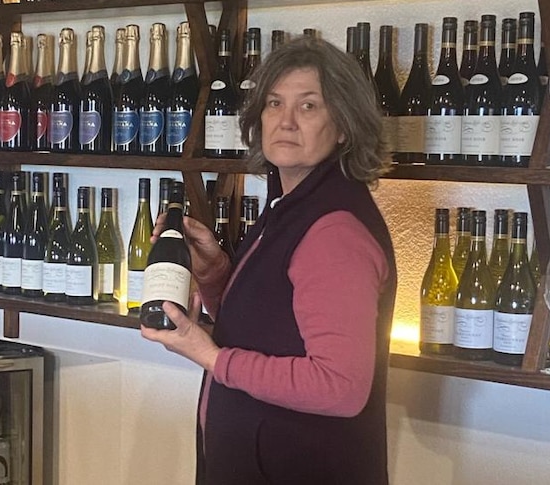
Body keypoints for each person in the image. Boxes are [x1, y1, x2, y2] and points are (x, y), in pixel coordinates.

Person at [141, 36, 397, 484]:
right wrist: (216, 273)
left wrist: (212, 356)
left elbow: (340, 387)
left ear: (344, 127)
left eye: (309, 106)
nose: (287, 121)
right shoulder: (290, 205)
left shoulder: (333, 231)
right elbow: (272, 324)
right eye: (275, 103)